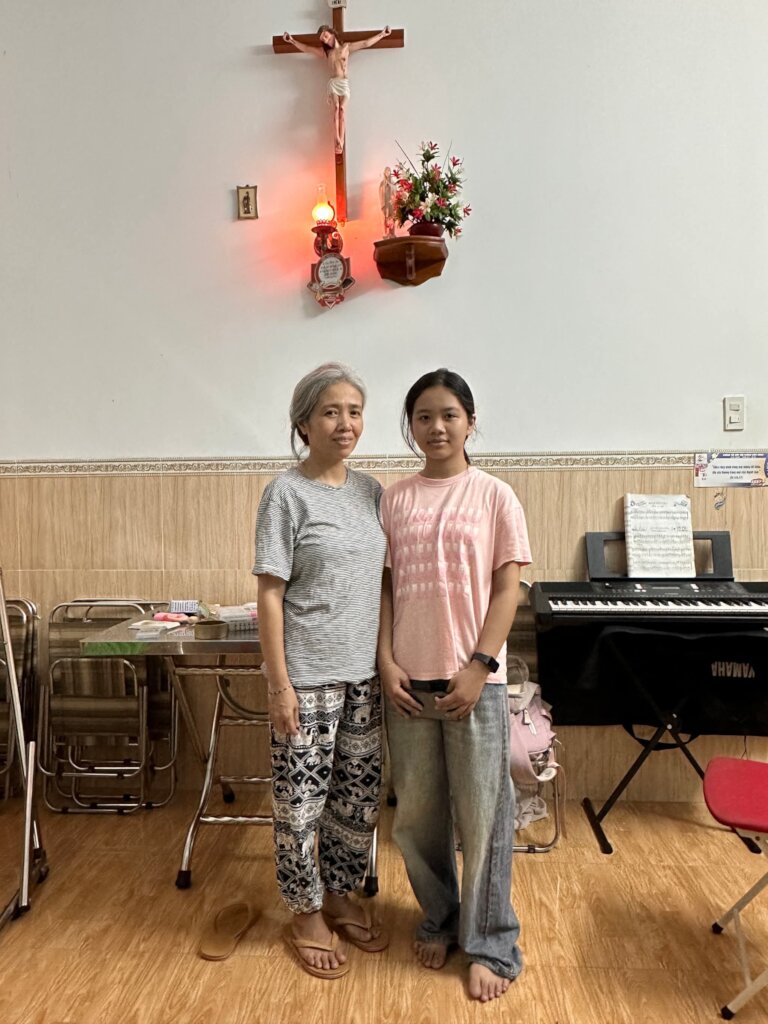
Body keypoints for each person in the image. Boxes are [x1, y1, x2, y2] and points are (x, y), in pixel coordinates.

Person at [377, 368, 532, 1002]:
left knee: (484, 816)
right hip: (407, 683)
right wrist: (386, 660)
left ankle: (491, 942)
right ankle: (439, 917)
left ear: (470, 421)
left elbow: (508, 587)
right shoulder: (394, 499)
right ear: (410, 427)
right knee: (416, 817)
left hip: (475, 683)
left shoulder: (495, 495)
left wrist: (479, 666)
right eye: (423, 417)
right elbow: (386, 589)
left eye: (448, 415)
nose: (436, 427)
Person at [253, 362, 388, 979]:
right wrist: (279, 684)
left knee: (355, 800)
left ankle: (338, 894)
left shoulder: (372, 493)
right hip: (307, 678)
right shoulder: (285, 494)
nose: (345, 423)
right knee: (300, 805)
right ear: (303, 423)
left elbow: (382, 585)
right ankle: (304, 912)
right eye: (331, 412)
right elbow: (270, 594)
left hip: (363, 677)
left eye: (354, 411)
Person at [283, 24, 392, 153]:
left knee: (342, 110)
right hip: (333, 83)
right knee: (336, 108)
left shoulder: (346, 47)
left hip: (344, 83)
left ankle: (342, 141)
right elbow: (307, 48)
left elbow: (365, 43)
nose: (324, 39)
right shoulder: (326, 53)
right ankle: (337, 139)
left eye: (325, 35)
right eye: (322, 39)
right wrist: (291, 40)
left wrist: (383, 34)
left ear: (331, 33)